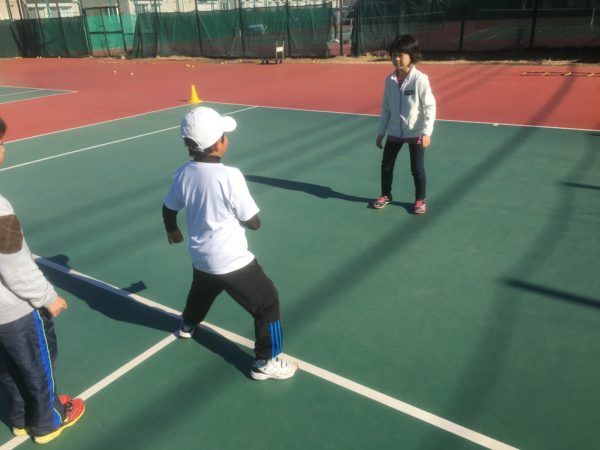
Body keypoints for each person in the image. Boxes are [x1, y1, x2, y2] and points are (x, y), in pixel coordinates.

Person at [162, 107, 298, 381]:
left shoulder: (183, 173)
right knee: (267, 302)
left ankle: (187, 325)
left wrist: (173, 230)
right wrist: (247, 220)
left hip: (201, 256)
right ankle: (265, 362)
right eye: (224, 135)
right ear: (218, 143)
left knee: (202, 291)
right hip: (231, 259)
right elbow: (253, 221)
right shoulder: (230, 176)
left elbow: (169, 208)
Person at [0, 117, 85, 444]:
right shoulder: (0, 209)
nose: (4, 147)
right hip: (16, 313)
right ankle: (48, 422)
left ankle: (20, 419)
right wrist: (48, 298)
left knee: (7, 369)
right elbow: (15, 267)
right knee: (37, 367)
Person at [373, 34, 436, 215]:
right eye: (394, 55)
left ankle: (420, 199)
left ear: (412, 56)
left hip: (415, 133)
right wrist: (381, 132)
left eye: (401, 55)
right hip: (394, 132)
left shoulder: (420, 79)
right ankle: (385, 195)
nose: (397, 59)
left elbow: (430, 106)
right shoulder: (389, 80)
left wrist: (426, 133)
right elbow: (386, 108)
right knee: (386, 165)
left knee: (417, 168)